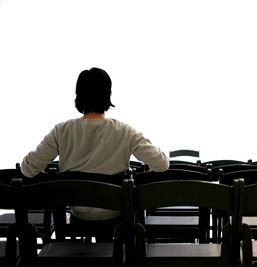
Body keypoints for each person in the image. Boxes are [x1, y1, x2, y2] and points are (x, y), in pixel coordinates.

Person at [21, 67, 170, 240]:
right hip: (115, 218)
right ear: (108, 95)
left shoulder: (60, 132)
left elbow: (28, 169)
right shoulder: (125, 132)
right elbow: (162, 164)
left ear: (78, 95)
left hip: (78, 215)